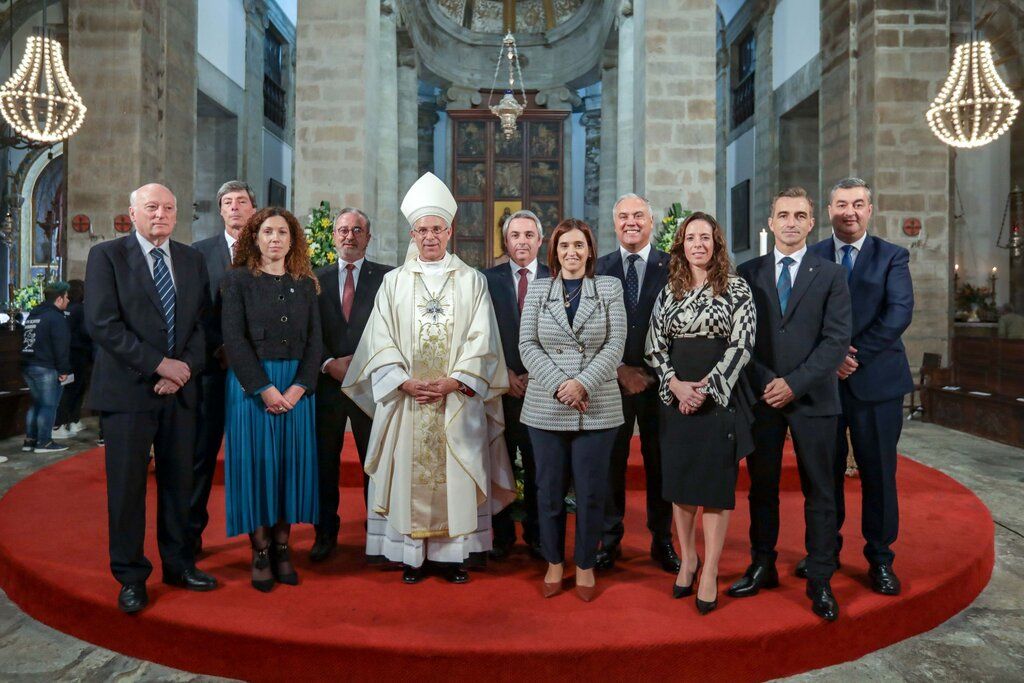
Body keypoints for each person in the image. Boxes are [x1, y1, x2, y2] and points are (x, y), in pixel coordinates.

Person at [342, 172, 515, 584]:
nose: (430, 236)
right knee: (410, 478)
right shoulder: (393, 282)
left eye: (437, 228)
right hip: (409, 401)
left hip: (456, 401)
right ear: (412, 233)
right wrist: (402, 381)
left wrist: (456, 381)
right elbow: (378, 341)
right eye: (422, 229)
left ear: (450, 231)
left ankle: (454, 556)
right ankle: (413, 557)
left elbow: (483, 339)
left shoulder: (471, 280)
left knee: (456, 473)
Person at [85, 183, 216, 614]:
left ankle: (178, 564)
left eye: (168, 207)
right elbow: (104, 324)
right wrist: (160, 365)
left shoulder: (192, 259)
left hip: (179, 394)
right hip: (128, 392)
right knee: (127, 490)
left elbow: (201, 326)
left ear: (178, 215)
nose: (160, 213)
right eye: (151, 206)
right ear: (133, 212)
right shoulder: (107, 256)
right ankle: (130, 575)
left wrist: (183, 371)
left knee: (180, 485)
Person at [731, 187, 851, 621]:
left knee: (820, 490)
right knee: (761, 489)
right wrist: (768, 382)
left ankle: (820, 578)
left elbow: (836, 340)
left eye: (800, 215)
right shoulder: (747, 272)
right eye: (783, 214)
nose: (791, 222)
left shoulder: (831, 274)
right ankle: (762, 563)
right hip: (762, 398)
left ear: (811, 222)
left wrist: (794, 384)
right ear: (770, 221)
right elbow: (740, 338)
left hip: (814, 398)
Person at [645, 212, 756, 614]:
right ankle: (687, 558)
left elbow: (742, 345)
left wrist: (706, 389)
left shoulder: (737, 288)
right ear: (681, 245)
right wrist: (675, 385)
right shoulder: (669, 289)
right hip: (676, 397)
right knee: (681, 482)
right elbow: (653, 344)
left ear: (716, 243)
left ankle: (709, 569)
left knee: (713, 486)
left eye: (705, 237)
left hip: (718, 397)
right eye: (690, 237)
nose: (698, 244)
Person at [807, 177, 913, 596]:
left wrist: (852, 356)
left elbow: (899, 312)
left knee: (878, 473)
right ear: (829, 211)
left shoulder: (892, 256)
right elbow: (799, 316)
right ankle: (824, 552)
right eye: (840, 204)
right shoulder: (811, 256)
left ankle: (881, 557)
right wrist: (828, 359)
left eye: (857, 204)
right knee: (824, 475)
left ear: (870, 209)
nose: (848, 211)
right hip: (824, 384)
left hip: (877, 381)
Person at [520, 219, 626, 601]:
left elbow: (616, 345)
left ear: (590, 251)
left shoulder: (608, 288)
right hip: (547, 407)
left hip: (596, 406)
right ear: (554, 251)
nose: (572, 253)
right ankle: (553, 561)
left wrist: (583, 383)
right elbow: (527, 345)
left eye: (579, 245)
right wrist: (561, 386)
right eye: (565, 245)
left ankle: (584, 564)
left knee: (591, 491)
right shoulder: (539, 288)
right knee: (548, 491)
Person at [221, 207, 322, 592]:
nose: (275, 238)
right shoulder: (237, 281)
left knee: (288, 468)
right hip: (253, 387)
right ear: (255, 238)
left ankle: (283, 546)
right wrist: (265, 388)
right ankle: (260, 550)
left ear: (293, 239)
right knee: (258, 469)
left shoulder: (306, 283)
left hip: (297, 388)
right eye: (268, 232)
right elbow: (234, 340)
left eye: (283, 232)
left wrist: (299, 387)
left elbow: (316, 342)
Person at [594, 193, 679, 573]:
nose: (631, 222)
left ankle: (662, 540)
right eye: (624, 216)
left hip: (661, 383)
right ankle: (609, 540)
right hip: (610, 383)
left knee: (660, 463)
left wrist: (657, 372)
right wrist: (618, 370)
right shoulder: (598, 268)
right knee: (610, 464)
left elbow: (683, 328)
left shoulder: (674, 266)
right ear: (615, 224)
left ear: (651, 221)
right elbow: (588, 332)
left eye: (639, 216)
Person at [311, 207, 392, 562]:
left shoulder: (388, 279)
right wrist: (328, 363)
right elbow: (308, 332)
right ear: (333, 236)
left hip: (370, 385)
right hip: (327, 386)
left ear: (368, 238)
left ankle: (377, 534)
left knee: (372, 463)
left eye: (357, 230)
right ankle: (325, 532)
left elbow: (393, 330)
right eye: (343, 230)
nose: (349, 236)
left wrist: (360, 366)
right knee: (324, 463)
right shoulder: (313, 279)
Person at [188, 180, 257, 556]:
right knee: (202, 456)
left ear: (253, 207)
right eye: (227, 202)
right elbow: (193, 314)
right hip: (214, 372)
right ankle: (191, 534)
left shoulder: (270, 250)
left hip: (261, 374)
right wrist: (220, 349)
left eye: (241, 201)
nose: (234, 208)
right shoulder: (200, 254)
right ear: (220, 210)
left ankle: (259, 538)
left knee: (254, 457)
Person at [482, 209, 549, 560]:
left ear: (540, 240)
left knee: (542, 467)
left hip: (544, 391)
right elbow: (478, 334)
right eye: (514, 236)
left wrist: (538, 375)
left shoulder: (557, 278)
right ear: (505, 242)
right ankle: (502, 535)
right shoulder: (485, 280)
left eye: (528, 235)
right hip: (500, 390)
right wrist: (502, 374)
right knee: (499, 463)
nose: (521, 241)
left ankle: (539, 536)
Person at [20, 280, 72, 454]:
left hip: (29, 365)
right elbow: (61, 345)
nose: (68, 301)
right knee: (49, 406)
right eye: (66, 297)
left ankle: (30, 440)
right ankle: (44, 442)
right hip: (46, 366)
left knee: (36, 404)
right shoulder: (56, 317)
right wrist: (64, 369)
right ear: (58, 299)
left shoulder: (34, 315)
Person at [53, 279, 91, 439]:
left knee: (67, 389)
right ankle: (68, 422)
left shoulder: (63, 309)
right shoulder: (81, 310)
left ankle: (68, 422)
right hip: (78, 354)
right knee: (75, 389)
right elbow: (86, 332)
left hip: (64, 354)